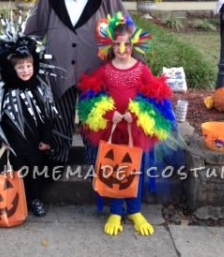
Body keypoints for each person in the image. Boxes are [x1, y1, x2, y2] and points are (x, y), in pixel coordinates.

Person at [24, 0, 128, 164]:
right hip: (60, 72)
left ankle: (98, 162)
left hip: (97, 71)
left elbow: (125, 28)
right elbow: (33, 30)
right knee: (59, 118)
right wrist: (23, 56)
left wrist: (130, 62)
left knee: (96, 120)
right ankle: (58, 162)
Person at [78, 13, 184, 236]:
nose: (122, 49)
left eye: (127, 44)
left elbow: (156, 97)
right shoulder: (106, 70)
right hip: (113, 131)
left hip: (135, 132)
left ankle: (135, 210)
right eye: (117, 44)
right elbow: (90, 98)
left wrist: (135, 114)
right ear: (110, 45)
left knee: (135, 169)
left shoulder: (141, 69)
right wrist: (108, 114)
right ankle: (116, 210)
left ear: (134, 44)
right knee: (115, 168)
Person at [0, 19, 61, 218]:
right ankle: (17, 200)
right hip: (12, 144)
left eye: (29, 65)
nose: (25, 70)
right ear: (11, 69)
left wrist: (47, 138)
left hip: (35, 143)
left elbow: (46, 116)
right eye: (20, 67)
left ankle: (35, 199)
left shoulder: (39, 90)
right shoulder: (4, 92)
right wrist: (2, 142)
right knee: (16, 172)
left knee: (35, 172)